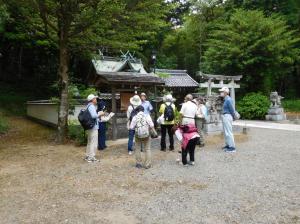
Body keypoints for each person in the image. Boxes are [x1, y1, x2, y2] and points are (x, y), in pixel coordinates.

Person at [85, 94, 103, 163]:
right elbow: (93, 116)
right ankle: (91, 157)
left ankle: (88, 156)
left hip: (89, 126)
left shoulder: (88, 106)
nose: (96, 99)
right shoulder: (92, 106)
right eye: (95, 98)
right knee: (94, 142)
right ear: (92, 100)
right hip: (93, 127)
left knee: (89, 142)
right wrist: (100, 114)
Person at [219, 87, 236, 153]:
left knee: (229, 132)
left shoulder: (228, 99)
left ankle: (232, 147)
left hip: (228, 116)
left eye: (222, 92)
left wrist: (234, 116)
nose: (221, 93)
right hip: (225, 116)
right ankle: (228, 145)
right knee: (226, 132)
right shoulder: (226, 99)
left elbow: (232, 109)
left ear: (225, 92)